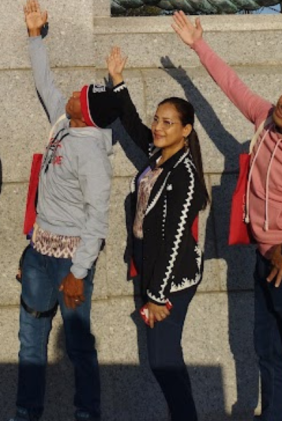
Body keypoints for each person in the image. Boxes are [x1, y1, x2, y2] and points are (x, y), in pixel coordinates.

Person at [169, 9, 282, 421]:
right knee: (268, 356)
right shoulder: (266, 120)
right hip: (264, 260)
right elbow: (232, 86)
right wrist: (198, 45)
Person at [9, 0, 113, 421]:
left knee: (77, 346)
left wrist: (78, 273)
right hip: (38, 253)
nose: (71, 95)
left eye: (79, 96)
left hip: (70, 262)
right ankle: (25, 413)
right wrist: (35, 36)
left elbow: (98, 217)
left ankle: (87, 413)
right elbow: (46, 85)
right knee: (30, 341)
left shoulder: (92, 153)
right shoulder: (64, 125)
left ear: (87, 113)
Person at [91, 44, 207, 421]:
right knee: (164, 361)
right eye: (158, 119)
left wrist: (158, 296)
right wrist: (118, 81)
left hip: (172, 279)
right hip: (151, 267)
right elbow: (133, 124)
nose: (158, 127)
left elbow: (174, 239)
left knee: (164, 361)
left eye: (168, 122)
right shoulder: (159, 157)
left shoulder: (184, 174)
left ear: (186, 130)